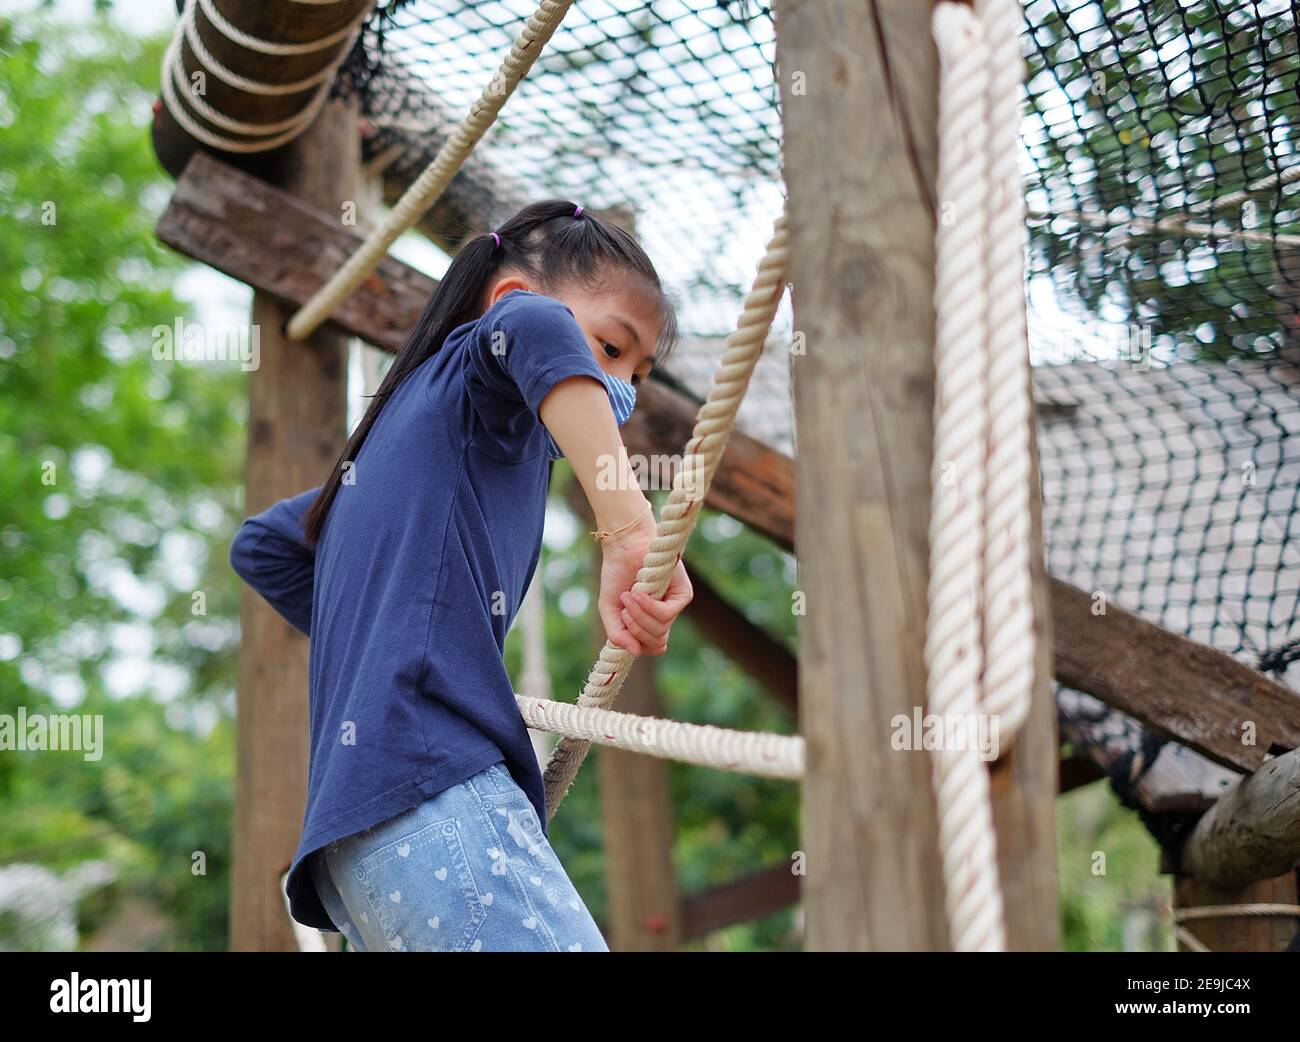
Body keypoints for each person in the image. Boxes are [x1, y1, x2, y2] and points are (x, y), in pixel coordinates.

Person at [229, 199, 693, 951]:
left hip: (365, 842)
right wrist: (630, 525)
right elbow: (537, 329)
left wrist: (403, 633)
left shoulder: (404, 434)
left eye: (637, 373)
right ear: (506, 300)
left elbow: (266, 545)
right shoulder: (486, 364)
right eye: (610, 349)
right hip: (431, 796)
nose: (624, 389)